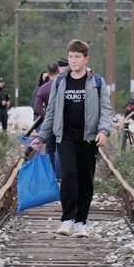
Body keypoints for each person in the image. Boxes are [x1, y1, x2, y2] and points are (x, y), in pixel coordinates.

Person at [30, 39, 112, 238]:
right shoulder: (59, 82)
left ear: (86, 59)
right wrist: (42, 137)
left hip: (88, 138)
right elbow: (50, 113)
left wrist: (104, 131)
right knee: (68, 176)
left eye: (77, 57)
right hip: (65, 137)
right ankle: (67, 220)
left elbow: (106, 110)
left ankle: (80, 223)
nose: (73, 61)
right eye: (71, 57)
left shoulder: (97, 82)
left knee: (86, 180)